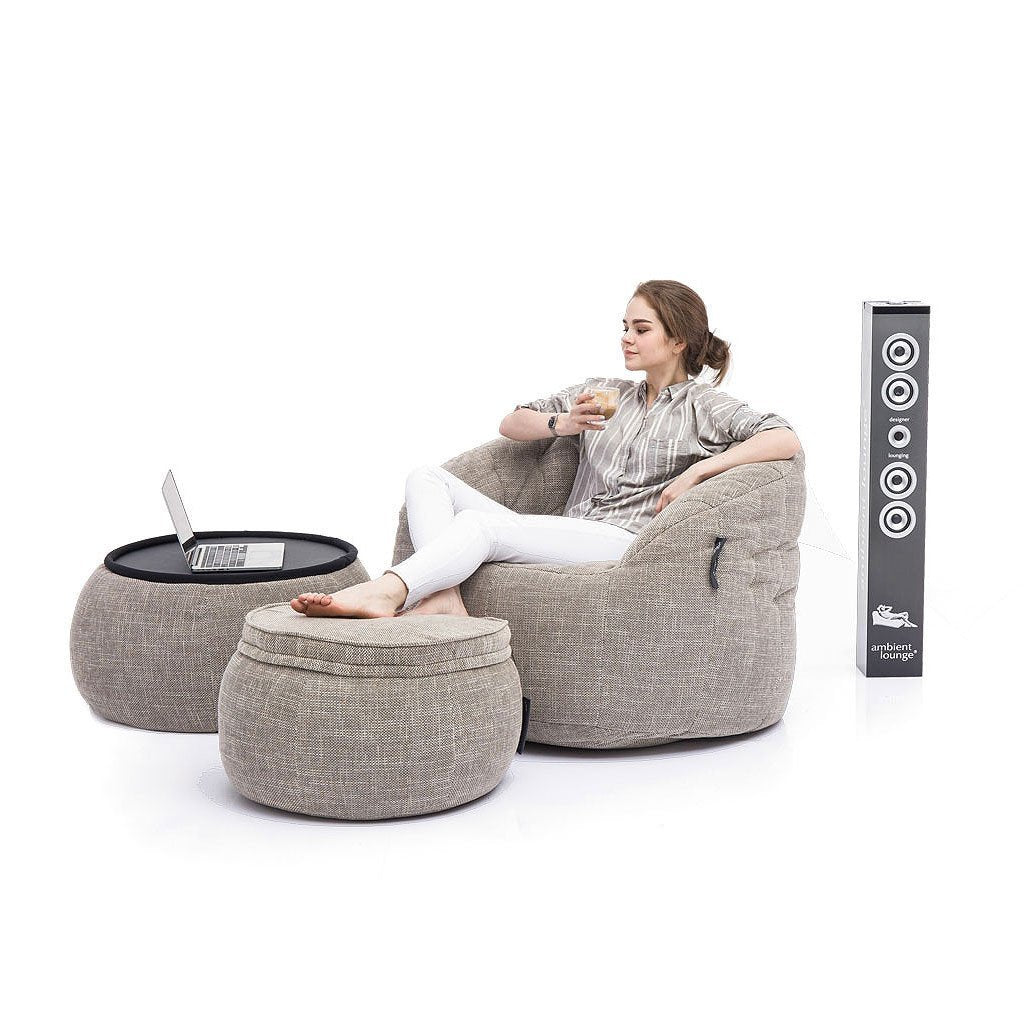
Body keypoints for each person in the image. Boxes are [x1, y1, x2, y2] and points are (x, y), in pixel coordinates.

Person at [291, 279, 802, 619]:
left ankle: (389, 590)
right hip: (571, 528)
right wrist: (563, 423)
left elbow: (784, 438)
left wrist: (699, 472)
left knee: (480, 526)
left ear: (679, 341)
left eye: (641, 329)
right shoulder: (606, 393)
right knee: (425, 477)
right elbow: (512, 421)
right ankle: (442, 595)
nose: (626, 338)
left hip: (622, 541)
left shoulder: (703, 406)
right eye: (624, 326)